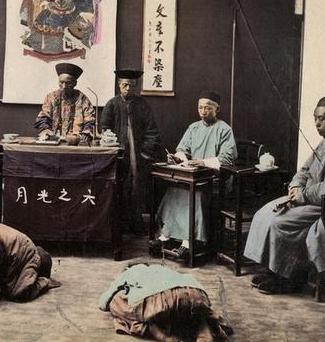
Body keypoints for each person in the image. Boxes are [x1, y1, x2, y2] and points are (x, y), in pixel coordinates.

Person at [244, 96, 325, 294]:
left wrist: (304, 194)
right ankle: (273, 270)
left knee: (280, 223)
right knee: (264, 213)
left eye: (322, 118)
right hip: (312, 201)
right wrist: (295, 187)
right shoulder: (323, 144)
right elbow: (304, 170)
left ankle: (284, 279)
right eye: (315, 118)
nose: (317, 123)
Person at [156, 91, 237, 259]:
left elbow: (227, 158)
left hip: (213, 179)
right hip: (192, 177)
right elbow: (182, 149)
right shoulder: (193, 127)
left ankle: (189, 241)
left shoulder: (224, 129)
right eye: (200, 108)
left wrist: (203, 162)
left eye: (207, 108)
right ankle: (166, 236)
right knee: (174, 191)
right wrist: (177, 158)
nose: (203, 111)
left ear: (217, 109)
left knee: (196, 195)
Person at [99, 263, 232, 342]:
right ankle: (201, 322)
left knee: (116, 302)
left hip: (159, 301)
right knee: (186, 306)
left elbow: (103, 302)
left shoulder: (129, 273)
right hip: (194, 295)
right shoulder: (165, 270)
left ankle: (150, 326)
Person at [101, 69, 160, 234]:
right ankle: (119, 223)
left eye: (132, 86)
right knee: (118, 185)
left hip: (137, 152)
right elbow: (104, 127)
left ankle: (136, 221)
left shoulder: (142, 104)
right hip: (117, 152)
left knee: (136, 186)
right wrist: (110, 140)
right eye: (125, 85)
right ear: (119, 85)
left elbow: (152, 130)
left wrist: (145, 152)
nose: (128, 88)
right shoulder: (112, 104)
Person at [34, 62, 96, 145]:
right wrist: (46, 130)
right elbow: (43, 117)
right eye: (61, 82)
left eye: (68, 83)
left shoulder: (82, 98)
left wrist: (86, 132)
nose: (64, 86)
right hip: (54, 140)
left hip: (76, 141)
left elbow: (90, 118)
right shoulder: (51, 97)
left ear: (75, 83)